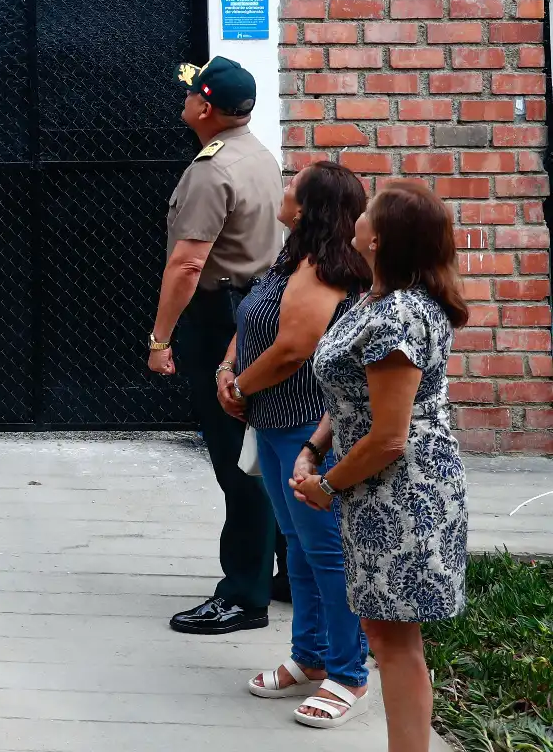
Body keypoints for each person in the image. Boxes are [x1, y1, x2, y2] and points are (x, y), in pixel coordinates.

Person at [294, 179, 469, 745]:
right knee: (383, 630)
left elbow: (390, 435)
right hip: (374, 486)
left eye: (369, 212)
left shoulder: (398, 317)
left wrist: (328, 484)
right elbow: (352, 397)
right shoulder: (375, 302)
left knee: (395, 642)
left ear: (382, 238)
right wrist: (315, 447)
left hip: (402, 491)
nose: (359, 215)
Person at [219, 161, 372, 722]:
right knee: (299, 546)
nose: (283, 189)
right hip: (273, 420)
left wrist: (240, 384)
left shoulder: (325, 268)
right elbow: (253, 321)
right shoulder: (290, 257)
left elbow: (292, 348)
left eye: (292, 186)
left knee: (325, 552)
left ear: (308, 207)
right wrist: (226, 366)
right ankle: (309, 657)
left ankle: (348, 674)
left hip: (306, 427)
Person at [149, 56, 284, 634]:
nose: (181, 103)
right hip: (257, 311)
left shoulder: (211, 170)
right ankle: (284, 573)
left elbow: (187, 264)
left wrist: (160, 338)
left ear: (204, 107)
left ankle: (243, 595)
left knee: (238, 460)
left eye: (188, 95)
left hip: (221, 314)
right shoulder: (258, 154)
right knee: (267, 450)